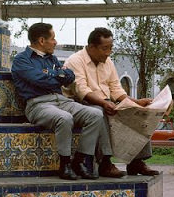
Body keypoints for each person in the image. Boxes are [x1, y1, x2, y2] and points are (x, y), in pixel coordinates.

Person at [11, 22, 109, 181]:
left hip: (62, 101)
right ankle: (65, 165)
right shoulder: (21, 60)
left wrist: (54, 75)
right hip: (38, 104)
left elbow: (69, 76)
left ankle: (79, 161)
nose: (55, 42)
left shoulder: (53, 58)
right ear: (42, 41)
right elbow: (39, 80)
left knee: (96, 114)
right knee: (64, 118)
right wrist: (57, 75)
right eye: (53, 38)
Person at [64, 27, 159, 177]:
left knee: (136, 112)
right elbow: (81, 90)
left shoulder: (108, 62)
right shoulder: (75, 61)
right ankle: (105, 162)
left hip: (106, 101)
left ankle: (137, 162)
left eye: (111, 48)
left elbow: (116, 89)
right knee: (98, 112)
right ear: (91, 47)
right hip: (82, 102)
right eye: (104, 48)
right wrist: (104, 103)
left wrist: (136, 102)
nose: (108, 52)